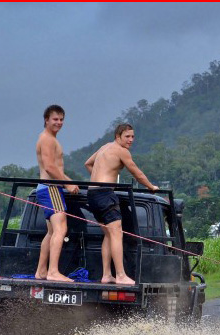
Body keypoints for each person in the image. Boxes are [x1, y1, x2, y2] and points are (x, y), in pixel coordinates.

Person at [84, 123, 159, 285]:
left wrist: (99, 179)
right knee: (117, 233)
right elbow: (136, 172)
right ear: (118, 137)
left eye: (132, 136)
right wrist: (151, 187)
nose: (131, 140)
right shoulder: (121, 151)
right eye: (127, 137)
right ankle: (120, 275)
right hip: (104, 195)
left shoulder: (105, 147)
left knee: (109, 234)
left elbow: (88, 163)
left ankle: (106, 275)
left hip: (92, 194)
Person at [34, 105, 79, 281]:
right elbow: (49, 167)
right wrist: (67, 184)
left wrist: (69, 181)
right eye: (55, 119)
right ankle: (53, 272)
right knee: (61, 228)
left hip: (49, 187)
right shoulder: (46, 139)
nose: (59, 122)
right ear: (46, 119)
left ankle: (41, 271)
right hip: (51, 188)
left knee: (52, 232)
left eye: (61, 119)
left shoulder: (50, 138)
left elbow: (55, 168)